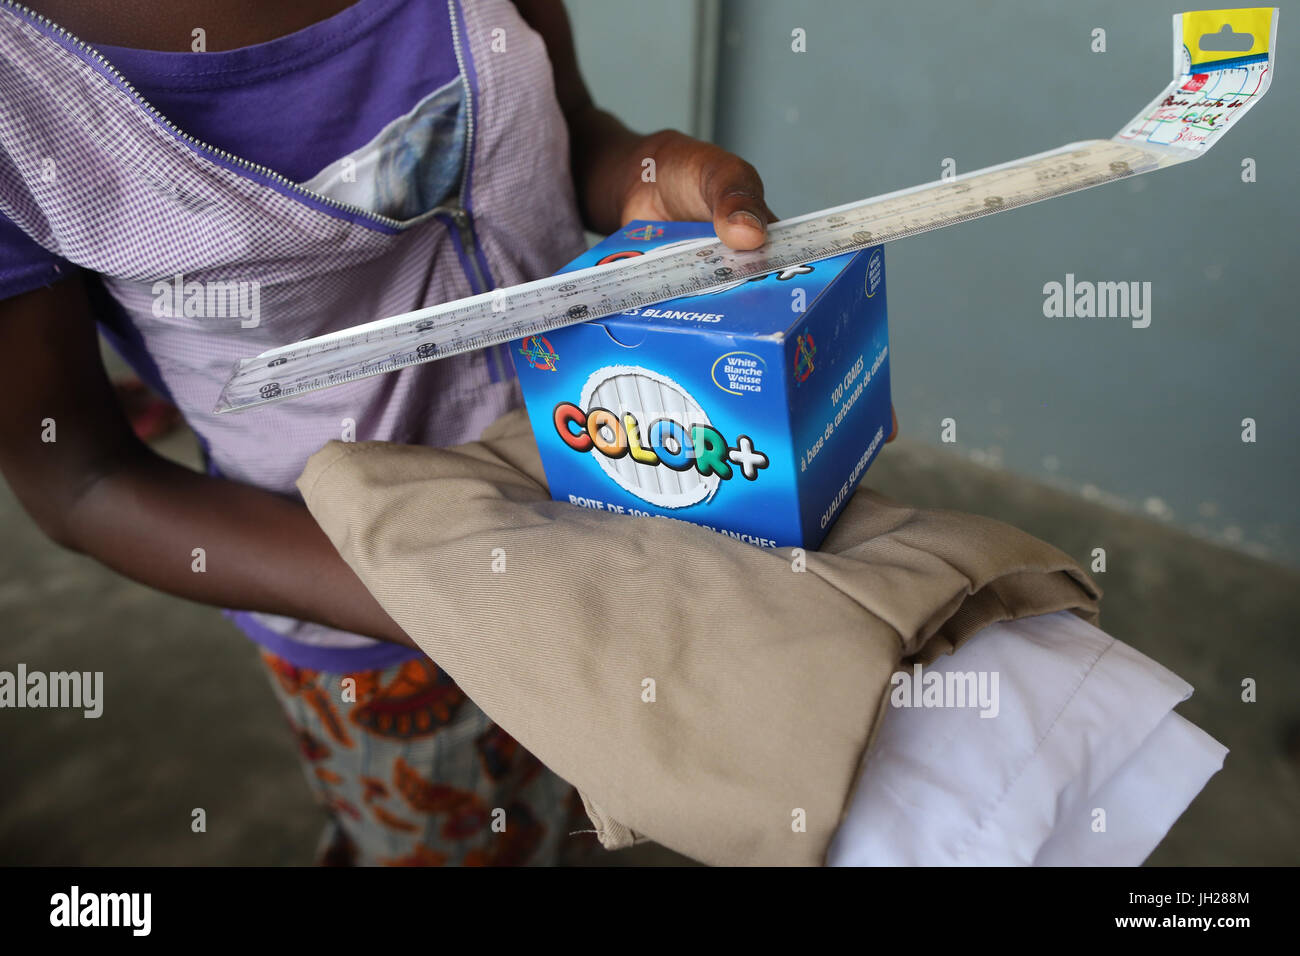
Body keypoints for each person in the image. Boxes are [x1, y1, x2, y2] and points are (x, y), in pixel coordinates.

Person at [0, 0, 806, 865]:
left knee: (597, 802)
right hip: (364, 616)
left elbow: (566, 127)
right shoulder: (22, 91)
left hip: (609, 498)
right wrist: (469, 597)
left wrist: (646, 173)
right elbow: (80, 483)